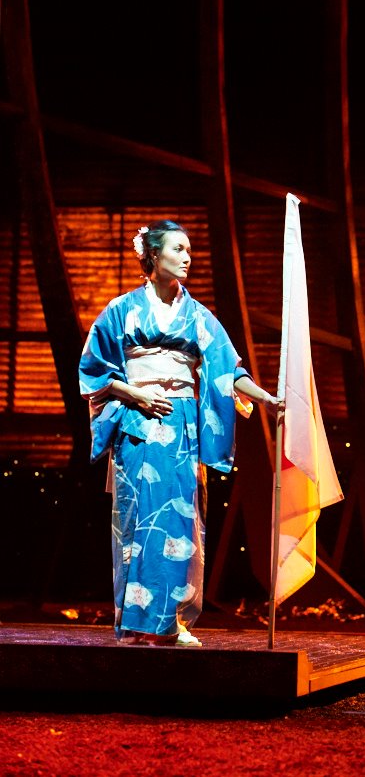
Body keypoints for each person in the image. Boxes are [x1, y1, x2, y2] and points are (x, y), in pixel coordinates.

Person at [78, 219, 278, 646]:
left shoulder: (198, 316)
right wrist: (134, 393)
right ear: (153, 256)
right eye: (179, 249)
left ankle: (171, 621)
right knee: (138, 520)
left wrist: (266, 398)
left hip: (182, 425)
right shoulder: (121, 310)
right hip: (138, 423)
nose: (188, 258)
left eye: (190, 250)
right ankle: (133, 623)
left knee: (181, 521)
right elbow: (93, 371)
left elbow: (228, 371)